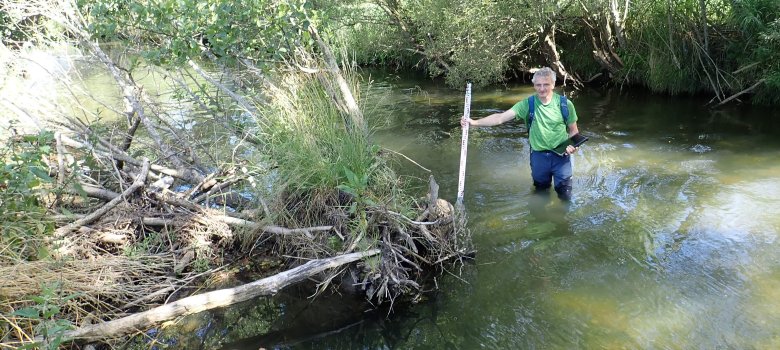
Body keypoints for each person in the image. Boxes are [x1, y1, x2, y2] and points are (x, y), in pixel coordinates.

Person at [462, 67, 580, 200]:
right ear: (534, 86)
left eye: (546, 84)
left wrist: (573, 146)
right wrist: (474, 122)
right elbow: (500, 118)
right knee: (541, 193)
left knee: (565, 195)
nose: (542, 89)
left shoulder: (565, 105)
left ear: (553, 84)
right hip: (538, 157)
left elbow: (573, 131)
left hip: (561, 157)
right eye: (538, 85)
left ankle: (562, 218)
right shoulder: (527, 105)